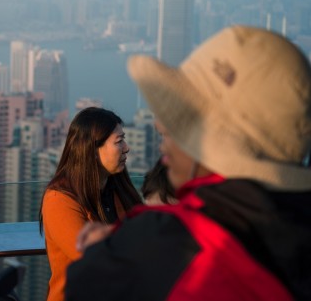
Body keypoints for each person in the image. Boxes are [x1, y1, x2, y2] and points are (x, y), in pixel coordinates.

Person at [66, 26, 311, 301]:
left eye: (178, 125)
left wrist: (112, 249)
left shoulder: (164, 246)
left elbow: (82, 285)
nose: (164, 141)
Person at [39, 107, 142, 301]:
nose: (126, 147)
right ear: (92, 150)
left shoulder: (117, 186)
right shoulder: (59, 198)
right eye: (119, 141)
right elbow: (90, 259)